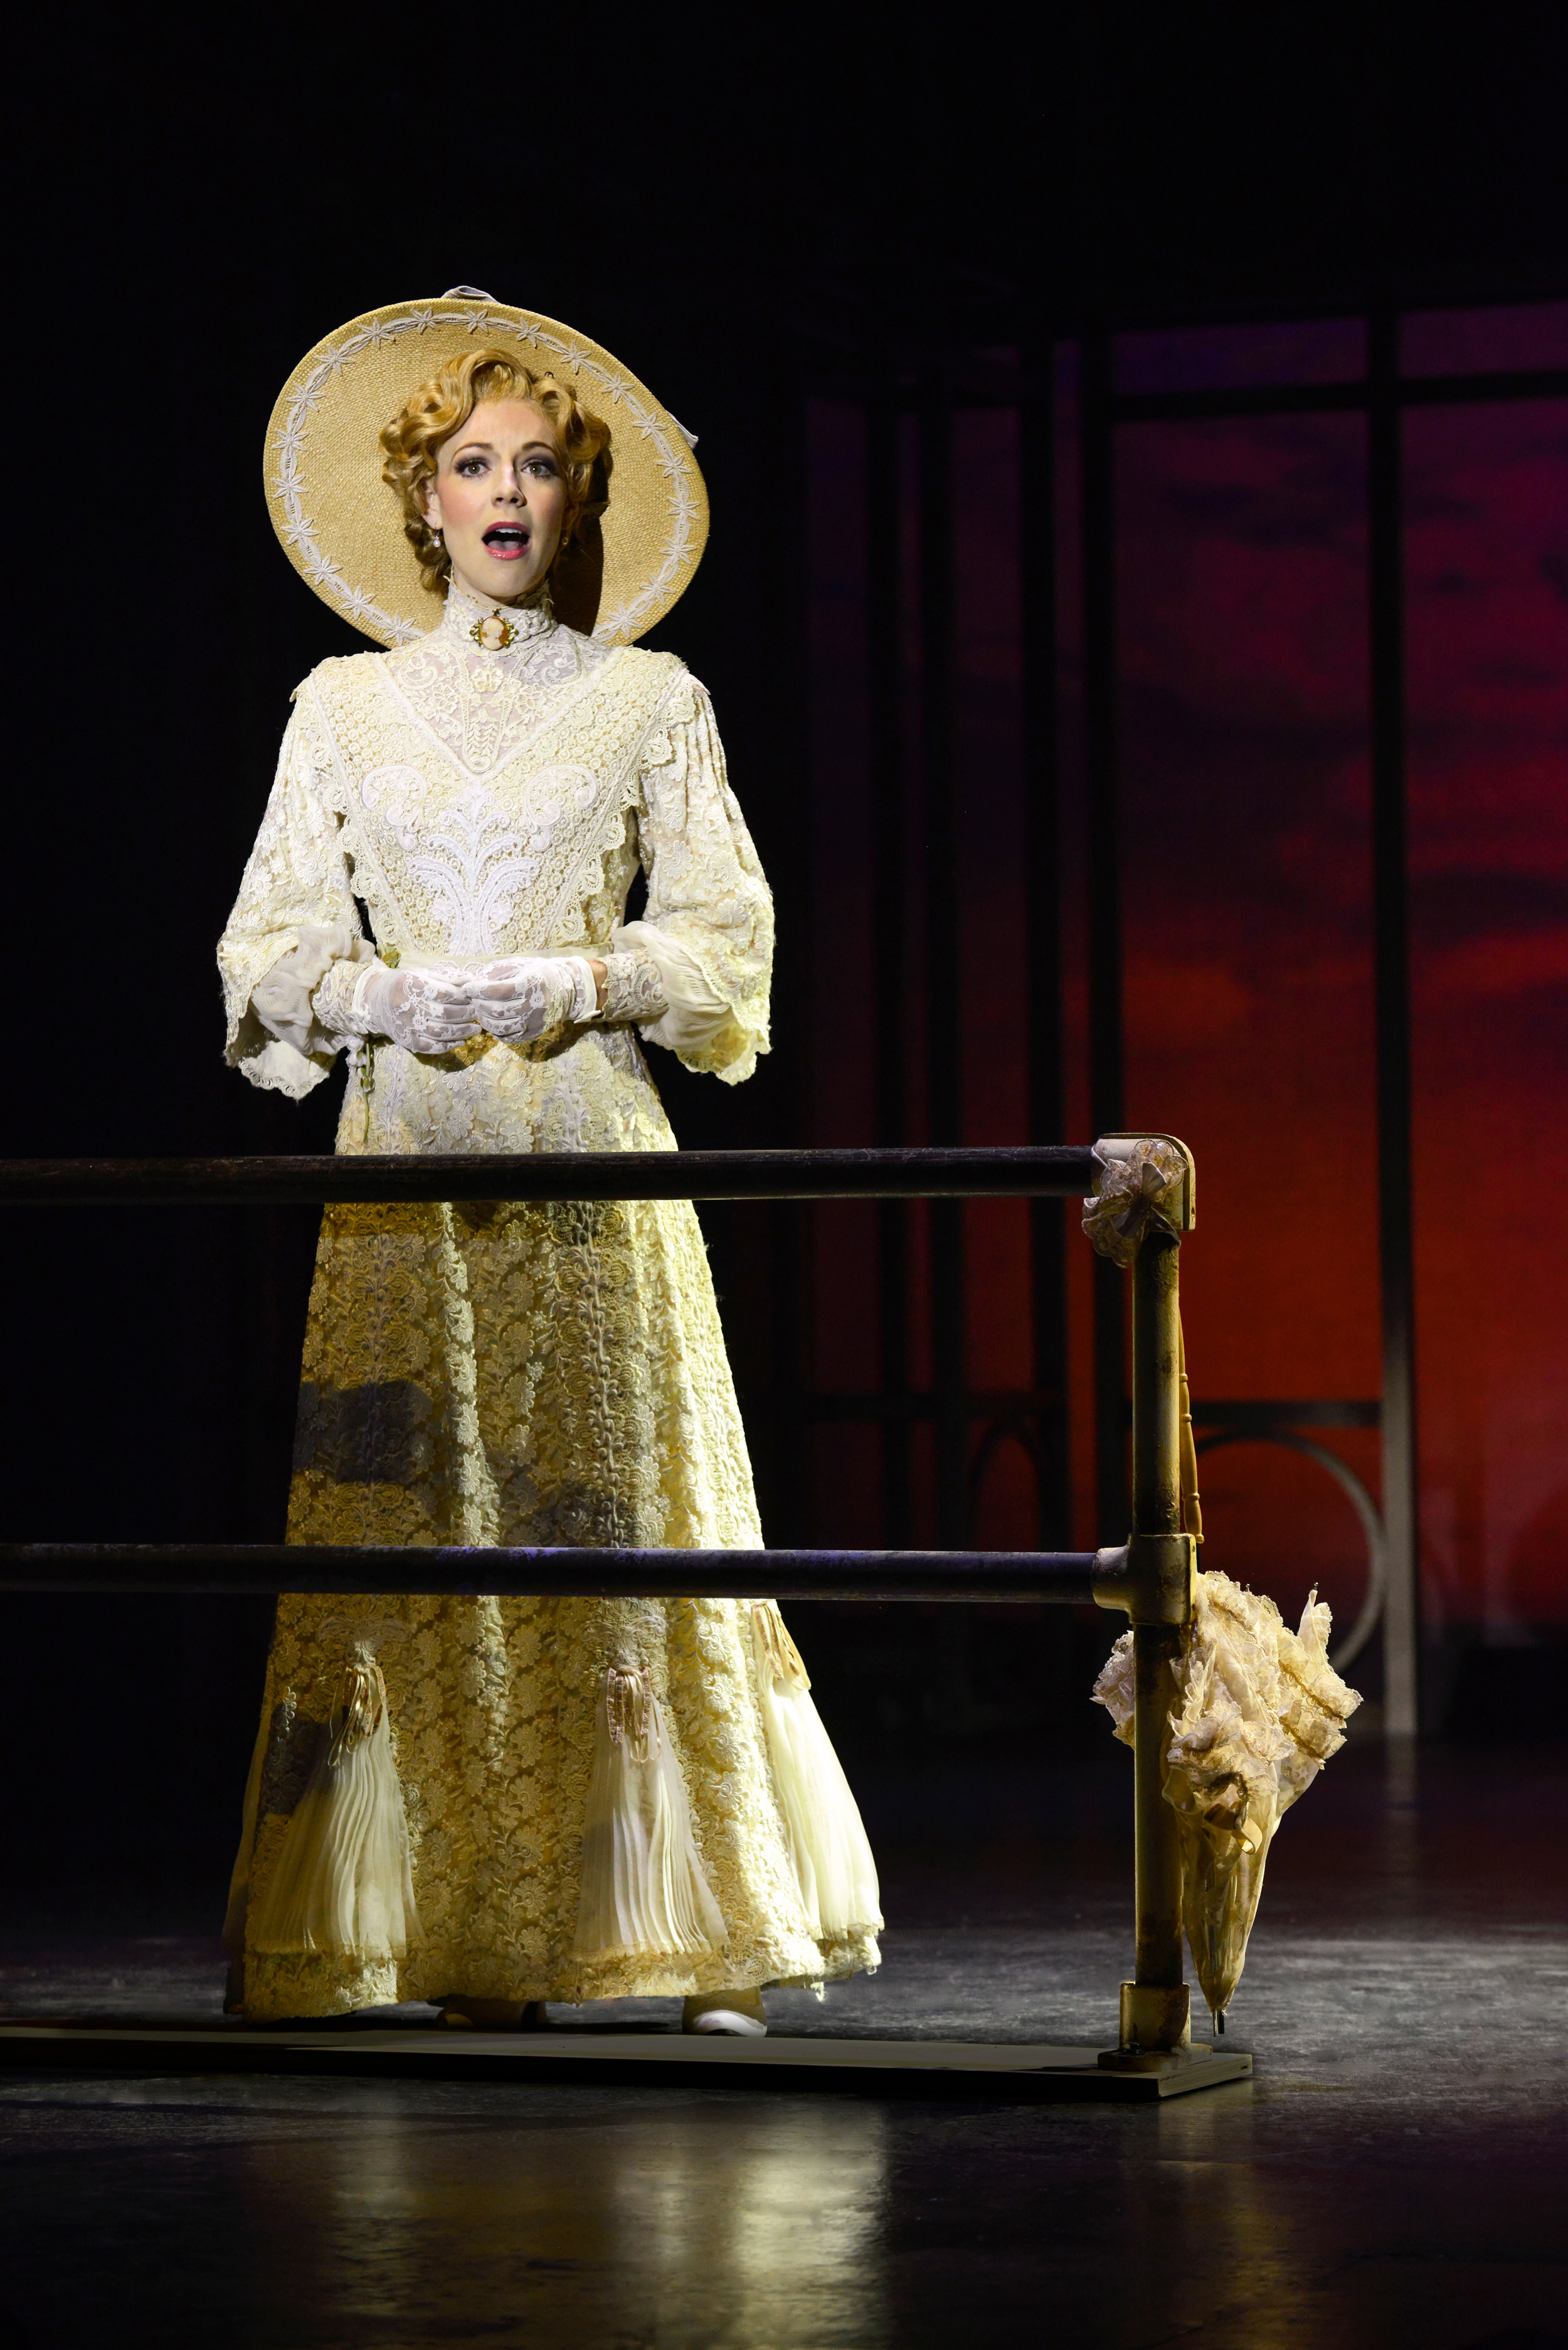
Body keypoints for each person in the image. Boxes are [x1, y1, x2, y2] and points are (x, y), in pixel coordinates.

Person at [218, 291, 881, 2035]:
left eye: (536, 468)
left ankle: (697, 1926)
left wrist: (577, 977)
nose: (504, 494)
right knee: (424, 1521)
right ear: (420, 497)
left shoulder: (650, 699)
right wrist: (374, 992)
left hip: (589, 1145)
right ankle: (445, 1932)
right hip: (411, 1163)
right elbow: (265, 944)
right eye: (470, 466)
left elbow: (724, 937)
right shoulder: (342, 707)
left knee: (620, 1504)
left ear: (578, 502)